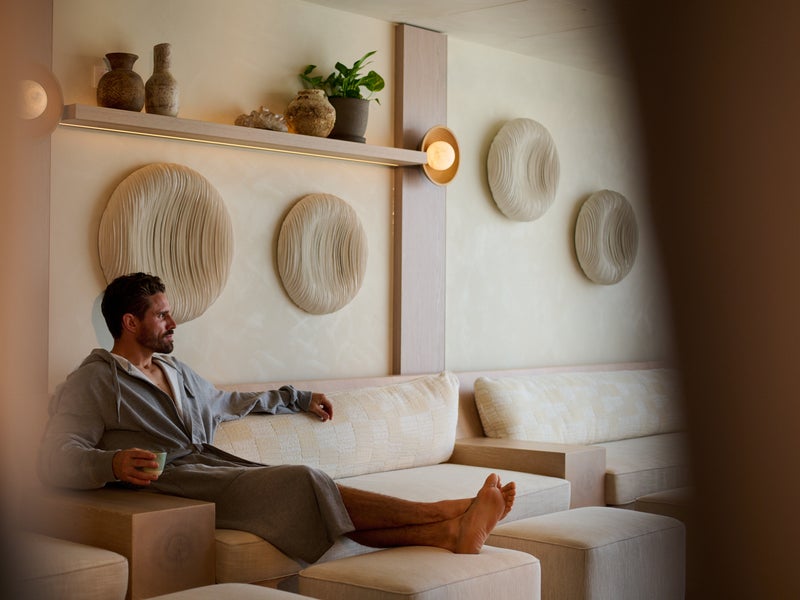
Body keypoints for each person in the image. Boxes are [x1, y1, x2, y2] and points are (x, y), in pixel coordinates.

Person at [38, 272, 515, 563]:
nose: (173, 323)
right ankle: (447, 511)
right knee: (302, 479)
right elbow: (56, 458)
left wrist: (296, 397)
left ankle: (450, 532)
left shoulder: (173, 370)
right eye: (162, 315)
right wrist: (113, 464)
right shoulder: (95, 380)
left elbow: (227, 402)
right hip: (172, 485)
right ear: (129, 322)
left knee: (306, 494)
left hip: (212, 466)